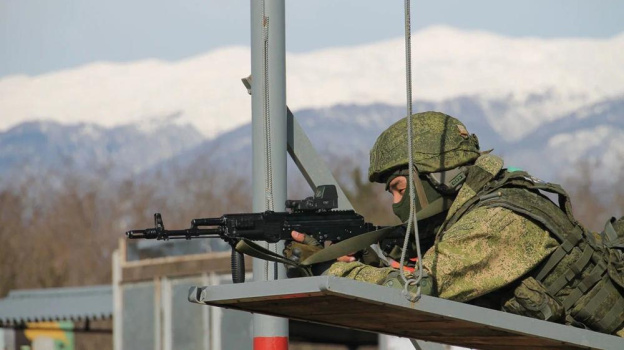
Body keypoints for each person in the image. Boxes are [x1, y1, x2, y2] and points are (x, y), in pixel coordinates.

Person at [285, 111, 624, 336]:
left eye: (399, 189)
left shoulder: (496, 220)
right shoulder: (482, 209)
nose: (395, 204)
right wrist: (369, 259)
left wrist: (331, 268)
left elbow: (414, 290)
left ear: (435, 179)